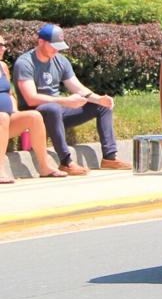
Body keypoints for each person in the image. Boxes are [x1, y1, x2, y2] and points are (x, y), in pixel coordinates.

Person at [13, 24, 132, 174]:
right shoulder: (25, 63)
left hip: (57, 112)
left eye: (59, 46)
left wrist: (99, 99)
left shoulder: (60, 61)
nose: (56, 50)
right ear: (41, 42)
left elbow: (78, 87)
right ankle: (66, 162)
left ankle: (110, 157)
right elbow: (31, 99)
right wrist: (65, 101)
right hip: (36, 114)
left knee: (102, 107)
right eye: (53, 46)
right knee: (53, 108)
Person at [1, 37, 67, 183]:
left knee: (34, 116)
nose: (4, 48)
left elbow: (9, 94)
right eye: (0, 45)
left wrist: (15, 111)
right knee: (2, 118)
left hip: (5, 121)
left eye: (4, 45)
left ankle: (44, 167)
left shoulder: (3, 67)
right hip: (1, 120)